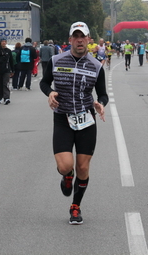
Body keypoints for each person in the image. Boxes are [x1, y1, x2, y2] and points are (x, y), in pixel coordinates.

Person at [40, 21, 108, 225]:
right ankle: (66, 175)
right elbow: (44, 82)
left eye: (83, 36)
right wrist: (50, 92)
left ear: (89, 40)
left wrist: (101, 103)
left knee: (83, 168)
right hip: (63, 117)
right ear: (70, 39)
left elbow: (102, 93)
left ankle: (76, 206)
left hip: (86, 118)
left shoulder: (96, 66)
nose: (79, 40)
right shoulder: (56, 60)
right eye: (75, 36)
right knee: (65, 165)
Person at [0, 38, 14, 105]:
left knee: (5, 84)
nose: (4, 43)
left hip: (6, 70)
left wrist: (12, 70)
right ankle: (0, 97)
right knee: (0, 84)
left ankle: (6, 98)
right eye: (2, 41)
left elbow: (11, 61)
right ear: (0, 42)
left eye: (5, 41)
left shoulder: (8, 51)